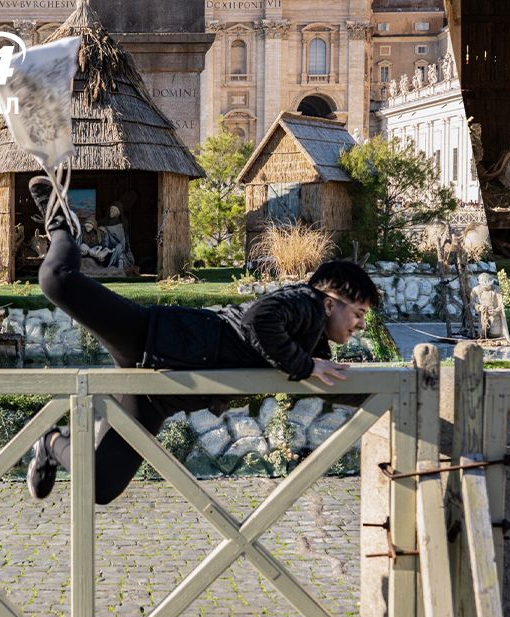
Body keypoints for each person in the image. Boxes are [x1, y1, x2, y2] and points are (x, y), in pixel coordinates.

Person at [26, 176, 379, 504]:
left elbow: (326, 380)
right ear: (330, 302)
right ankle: (62, 225)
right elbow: (259, 320)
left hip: (157, 395)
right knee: (57, 279)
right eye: (359, 313)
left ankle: (50, 443)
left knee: (100, 486)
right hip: (151, 337)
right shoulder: (306, 303)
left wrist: (383, 395)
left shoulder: (311, 338)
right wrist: (305, 365)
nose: (360, 326)